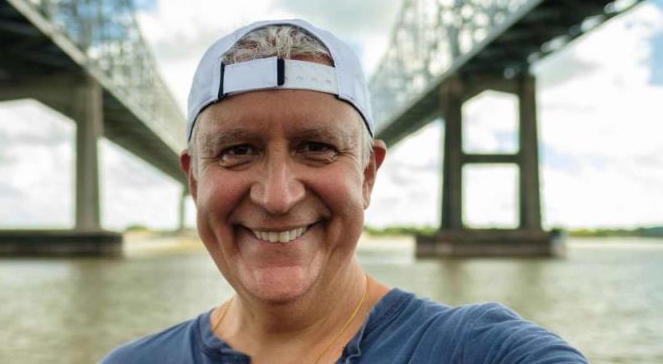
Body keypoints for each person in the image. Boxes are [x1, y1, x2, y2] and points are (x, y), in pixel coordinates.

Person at [101, 19, 587, 364]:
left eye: (316, 147)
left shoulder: (481, 351)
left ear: (367, 174)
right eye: (236, 150)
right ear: (193, 179)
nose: (277, 196)